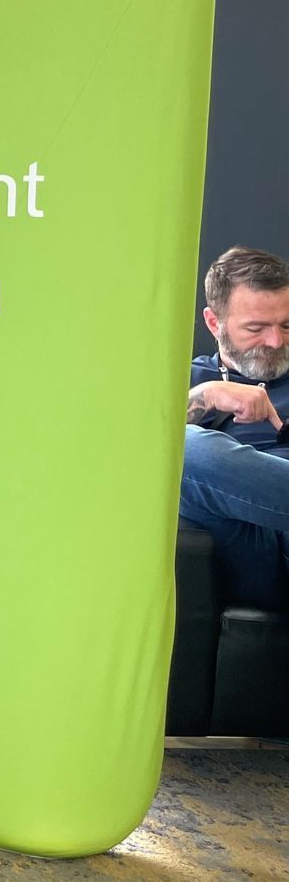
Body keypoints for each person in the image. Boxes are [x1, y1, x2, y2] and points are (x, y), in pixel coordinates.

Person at [181, 246, 289, 611]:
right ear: (214, 323)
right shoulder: (185, 379)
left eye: (287, 325)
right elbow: (123, 449)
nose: (276, 342)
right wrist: (207, 395)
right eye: (256, 329)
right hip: (239, 549)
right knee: (183, 448)